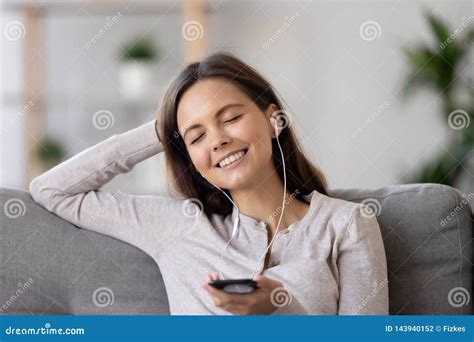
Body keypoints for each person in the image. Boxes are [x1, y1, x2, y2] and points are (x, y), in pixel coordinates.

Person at [29, 51, 389, 315]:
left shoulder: (347, 224)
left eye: (230, 117)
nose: (217, 140)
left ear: (274, 118)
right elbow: (52, 189)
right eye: (197, 136)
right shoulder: (177, 227)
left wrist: (281, 309)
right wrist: (162, 129)